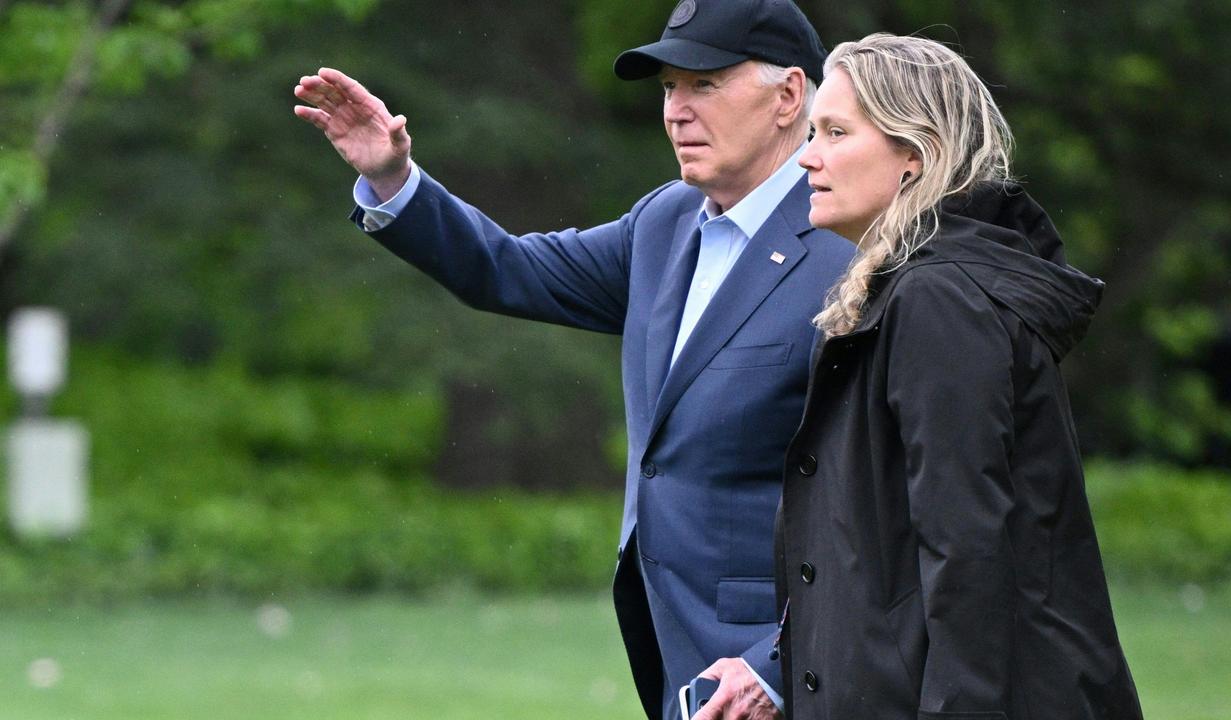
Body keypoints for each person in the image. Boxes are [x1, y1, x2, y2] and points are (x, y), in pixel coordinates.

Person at [293, 2, 854, 718]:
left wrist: (777, 664)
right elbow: (506, 269)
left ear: (788, 98)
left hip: (796, 675)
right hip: (679, 659)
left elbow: (874, 505)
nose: (677, 111)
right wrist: (394, 179)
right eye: (668, 89)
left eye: (704, 85)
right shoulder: (665, 221)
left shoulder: (850, 245)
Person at [776, 33, 1144, 719]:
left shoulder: (938, 301)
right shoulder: (912, 293)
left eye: (834, 132)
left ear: (913, 156)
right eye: (811, 132)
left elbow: (969, 550)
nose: (808, 156)